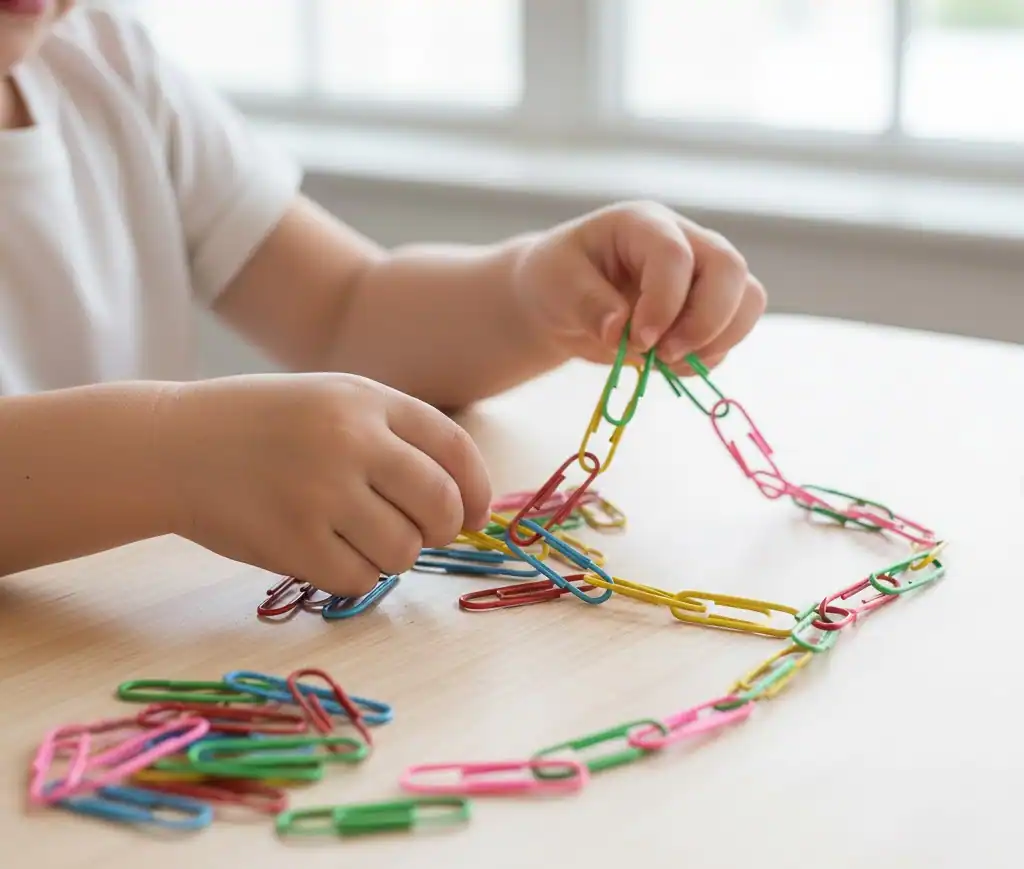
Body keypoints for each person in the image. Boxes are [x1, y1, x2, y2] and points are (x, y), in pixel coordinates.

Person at [0, 1, 767, 596]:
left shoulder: (107, 67)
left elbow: (342, 310)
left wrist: (529, 293)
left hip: (111, 656)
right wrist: (169, 455)